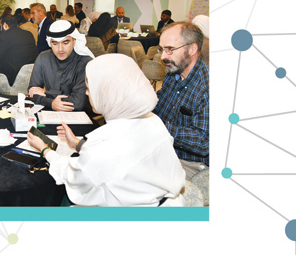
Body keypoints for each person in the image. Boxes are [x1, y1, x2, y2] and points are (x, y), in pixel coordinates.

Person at [26, 54, 186, 206]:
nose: (86, 93)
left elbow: (73, 176)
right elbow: (125, 157)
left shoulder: (103, 150)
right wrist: (77, 144)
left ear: (108, 92)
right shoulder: (153, 121)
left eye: (89, 88)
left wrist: (45, 149)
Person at [153, 21, 209, 179]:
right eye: (161, 49)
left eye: (170, 49)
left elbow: (204, 142)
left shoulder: (207, 89)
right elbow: (159, 106)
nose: (163, 56)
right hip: (164, 148)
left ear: (192, 49)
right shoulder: (174, 73)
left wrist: (161, 127)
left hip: (190, 163)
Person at [28, 20, 94, 111]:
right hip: (47, 114)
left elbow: (78, 103)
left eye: (65, 43)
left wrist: (46, 93)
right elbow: (32, 93)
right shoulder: (43, 58)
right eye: (55, 43)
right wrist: (51, 103)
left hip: (78, 118)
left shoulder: (85, 62)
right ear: (50, 43)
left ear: (74, 42)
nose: (60, 49)